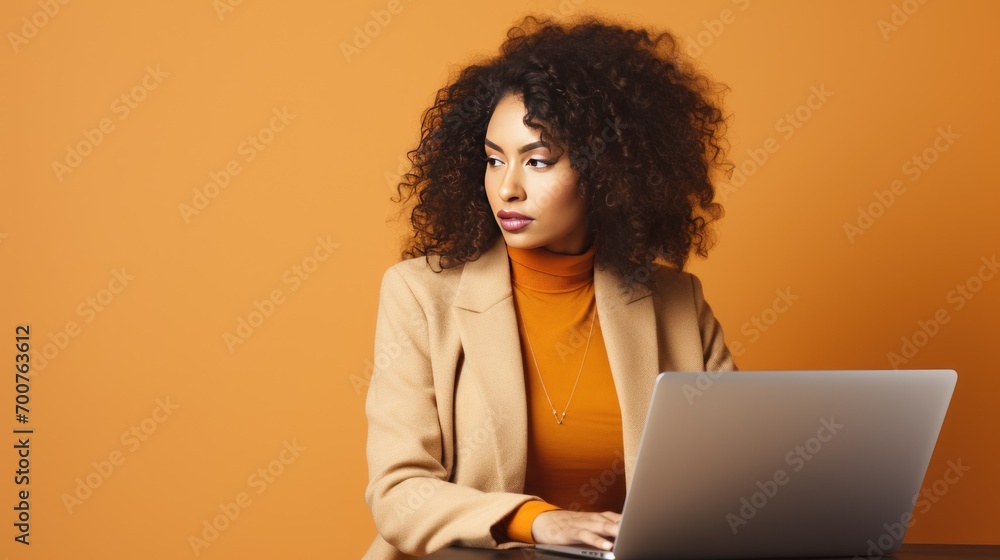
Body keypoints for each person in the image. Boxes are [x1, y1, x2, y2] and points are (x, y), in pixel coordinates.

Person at [363, 14, 738, 559]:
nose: (506, 187)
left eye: (537, 161)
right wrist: (537, 521)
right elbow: (397, 493)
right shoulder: (419, 294)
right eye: (493, 160)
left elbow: (735, 476)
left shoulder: (677, 302)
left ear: (607, 169)